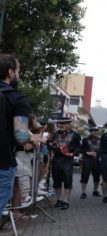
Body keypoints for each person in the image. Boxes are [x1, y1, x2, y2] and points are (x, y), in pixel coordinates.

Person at [0, 54, 39, 214]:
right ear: (10, 73)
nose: (18, 74)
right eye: (18, 70)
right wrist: (33, 137)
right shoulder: (17, 99)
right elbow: (21, 135)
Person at [48, 117, 81, 210]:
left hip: (68, 160)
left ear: (68, 124)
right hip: (56, 159)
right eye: (59, 123)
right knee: (56, 181)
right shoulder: (55, 134)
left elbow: (79, 147)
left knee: (67, 180)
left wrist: (73, 153)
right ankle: (58, 200)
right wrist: (49, 144)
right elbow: (49, 146)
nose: (60, 125)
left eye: (63, 123)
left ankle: (66, 200)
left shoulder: (75, 134)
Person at [80, 127, 102, 199]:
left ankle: (95, 191)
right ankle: (83, 192)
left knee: (97, 176)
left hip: (97, 160)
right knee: (85, 176)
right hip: (87, 160)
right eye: (93, 131)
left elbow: (103, 150)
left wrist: (98, 154)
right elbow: (81, 150)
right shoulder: (85, 139)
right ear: (90, 132)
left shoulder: (100, 140)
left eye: (96, 131)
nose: (95, 132)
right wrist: (88, 153)